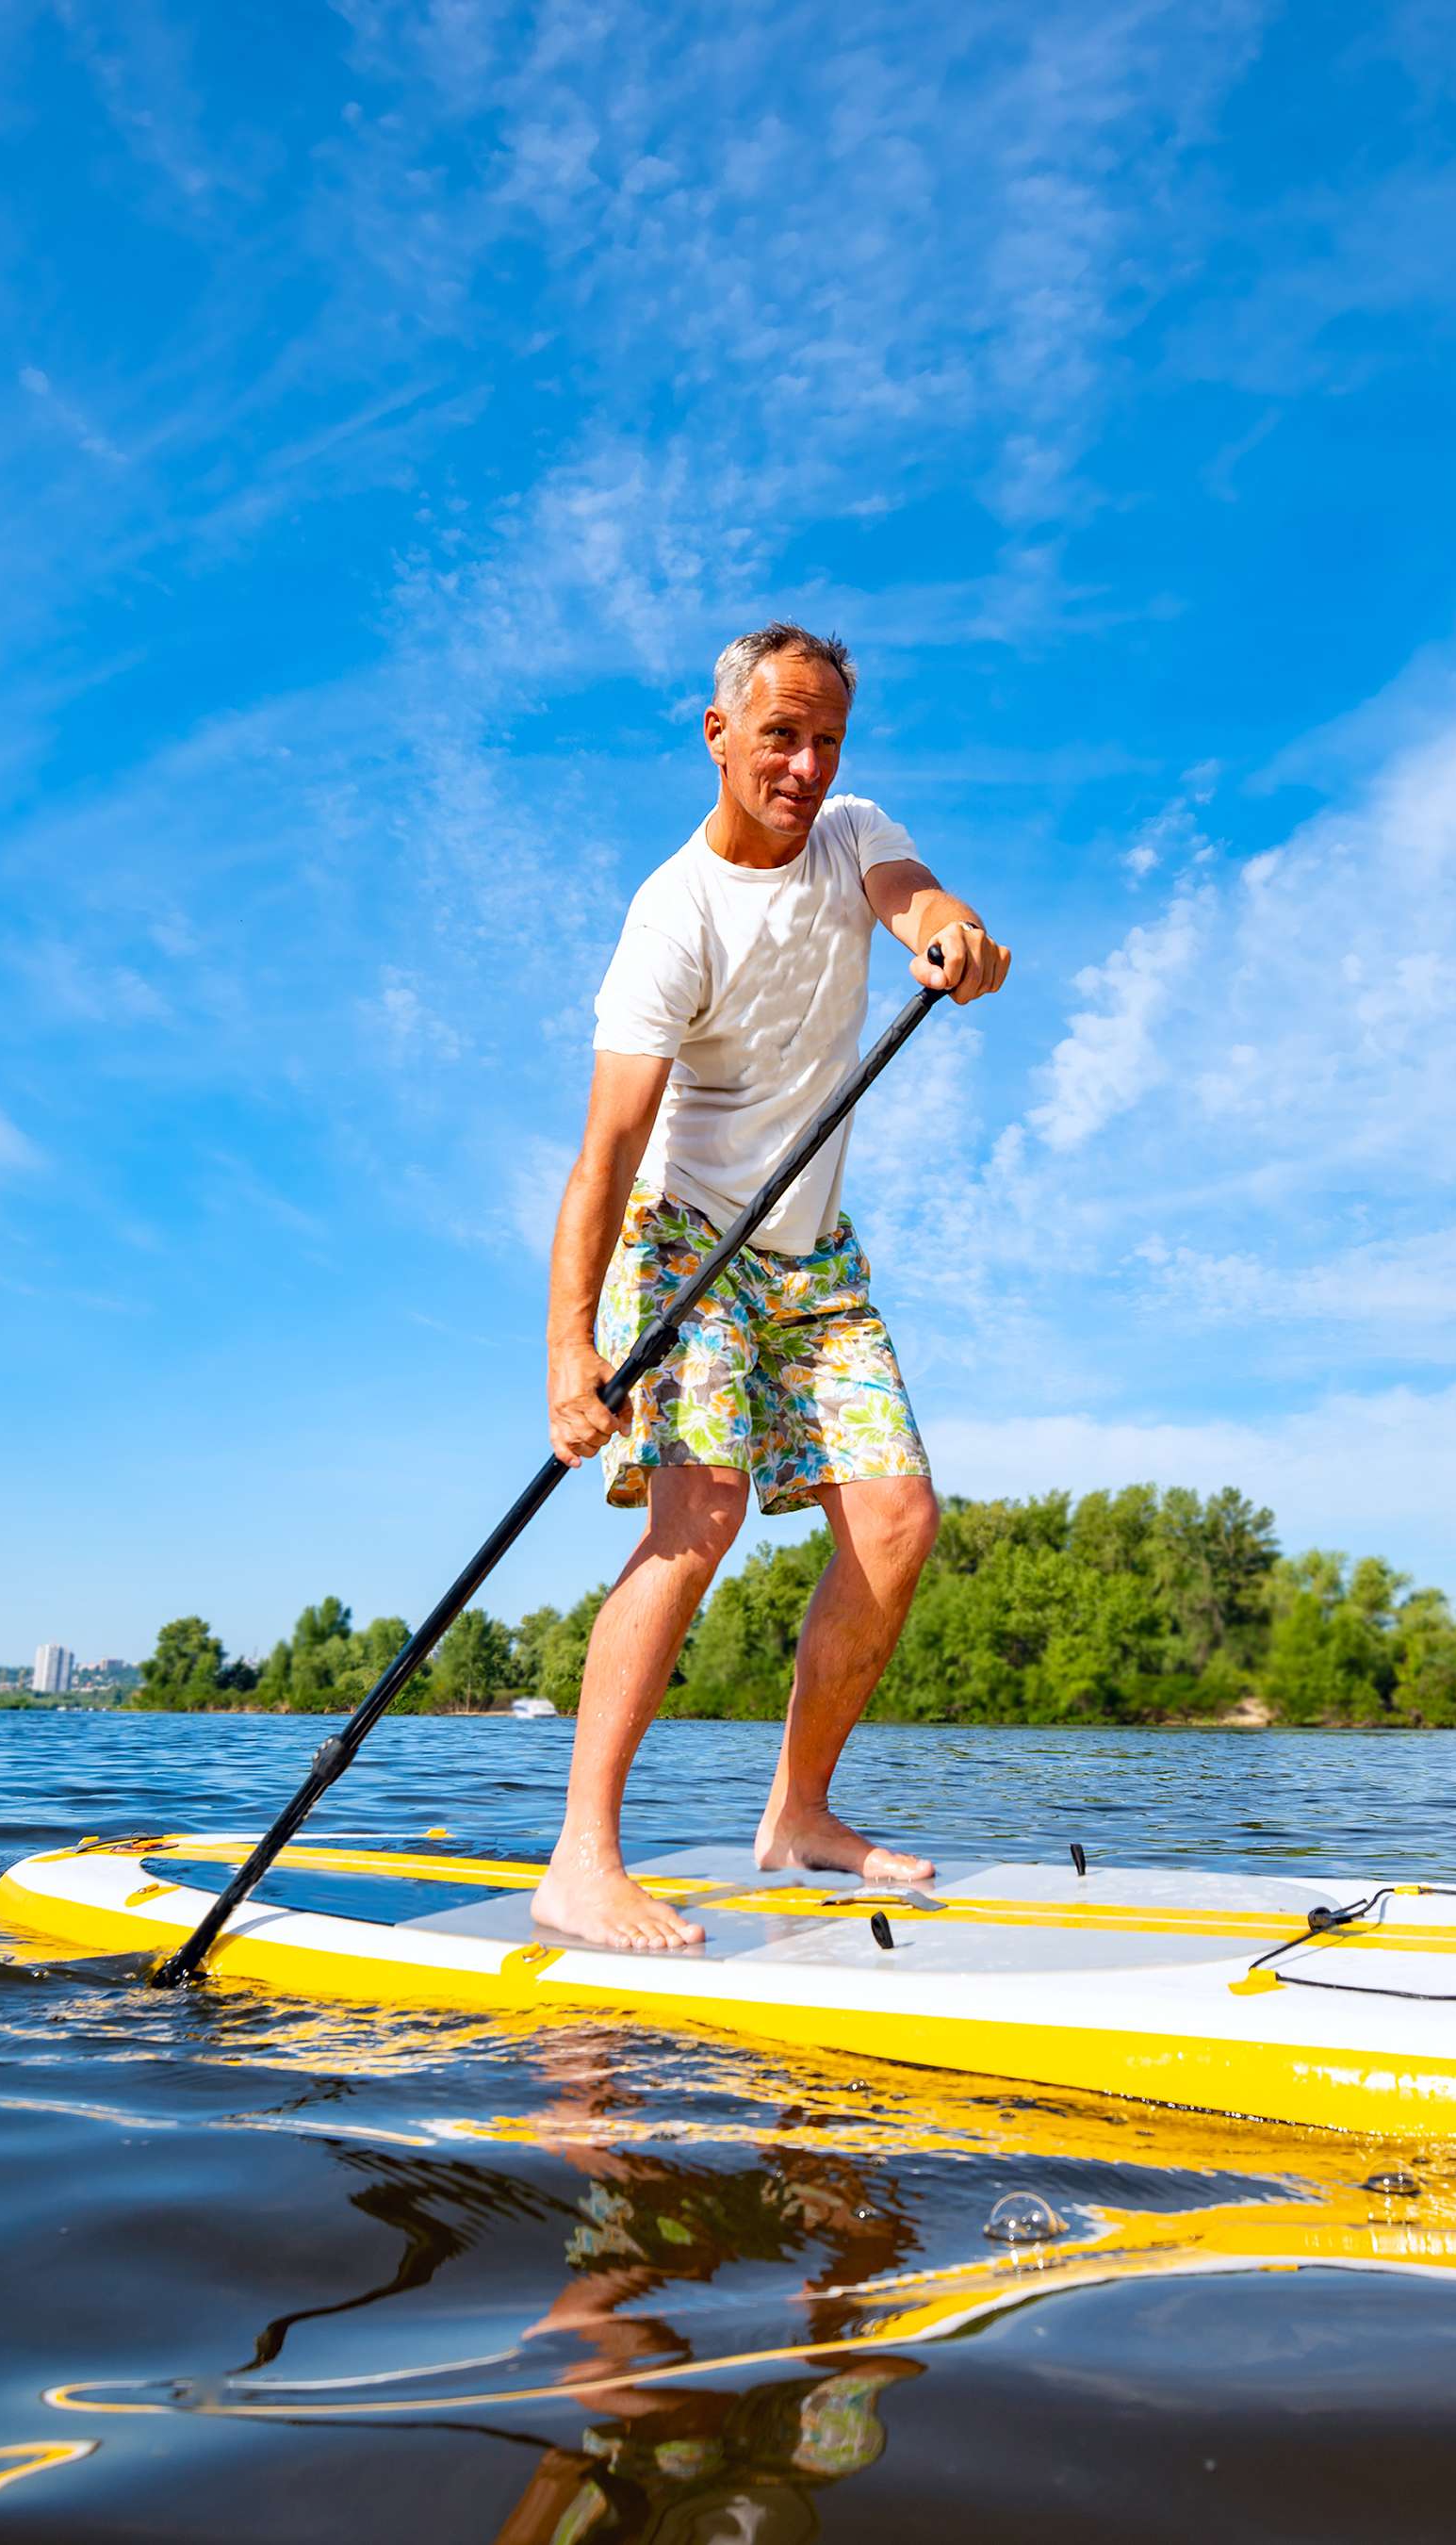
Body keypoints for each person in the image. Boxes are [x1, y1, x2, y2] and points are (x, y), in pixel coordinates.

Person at [527, 623, 1009, 1951]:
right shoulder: (668, 918)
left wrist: (959, 938)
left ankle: (798, 1815)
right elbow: (604, 1153)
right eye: (779, 734)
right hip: (684, 1242)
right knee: (702, 1508)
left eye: (825, 739)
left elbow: (923, 903)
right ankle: (579, 1859)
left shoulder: (853, 833)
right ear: (718, 732)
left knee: (897, 1521)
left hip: (813, 1253)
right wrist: (571, 1357)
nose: (802, 764)